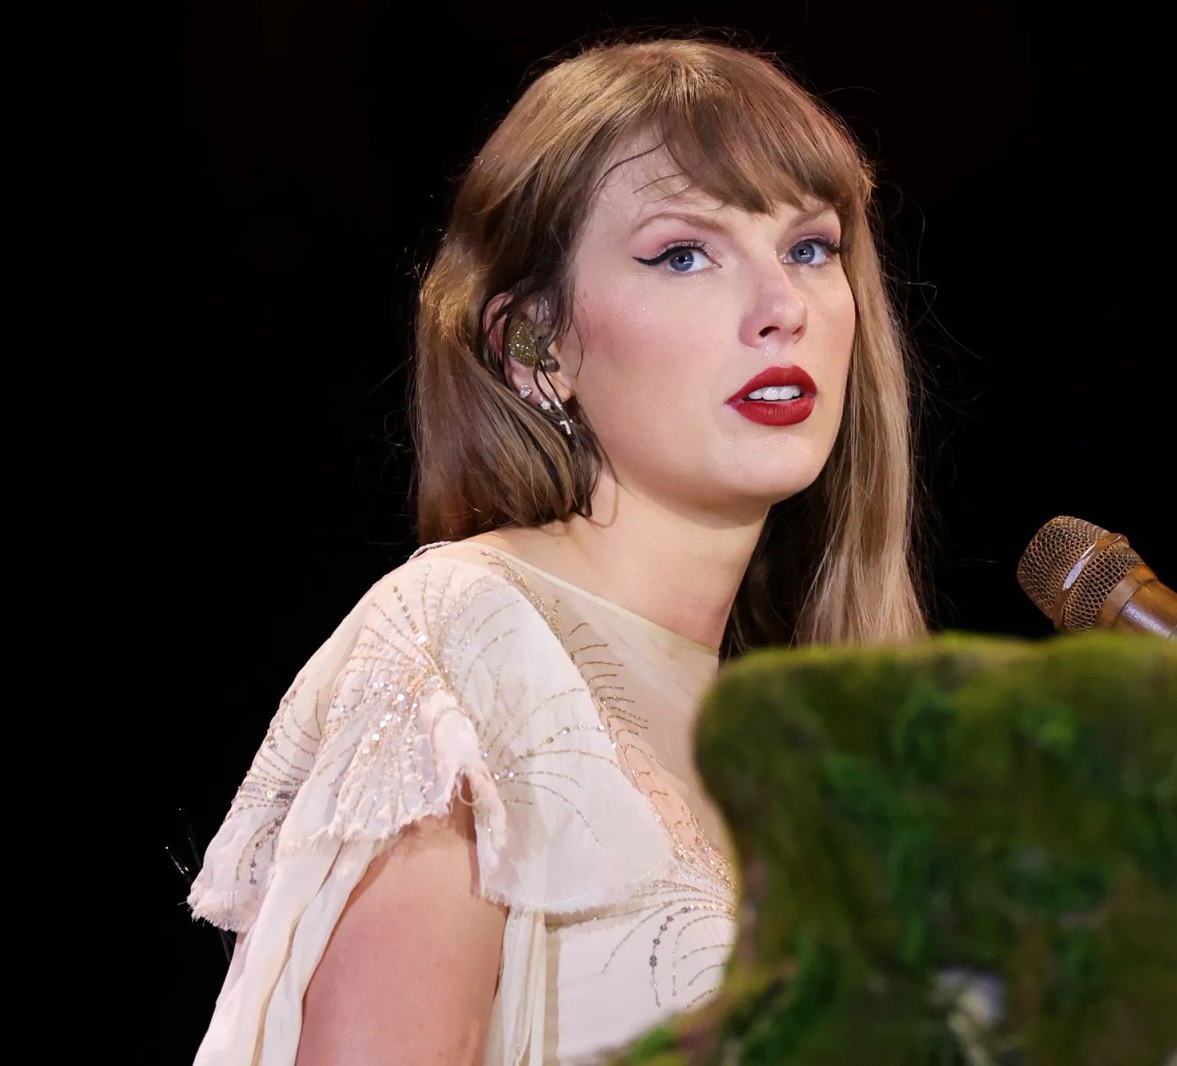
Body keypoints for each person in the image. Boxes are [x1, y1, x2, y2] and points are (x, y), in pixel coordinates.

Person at [187, 34, 929, 1065]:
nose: (783, 309)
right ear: (536, 345)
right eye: (683, 253)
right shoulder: (462, 647)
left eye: (809, 247)